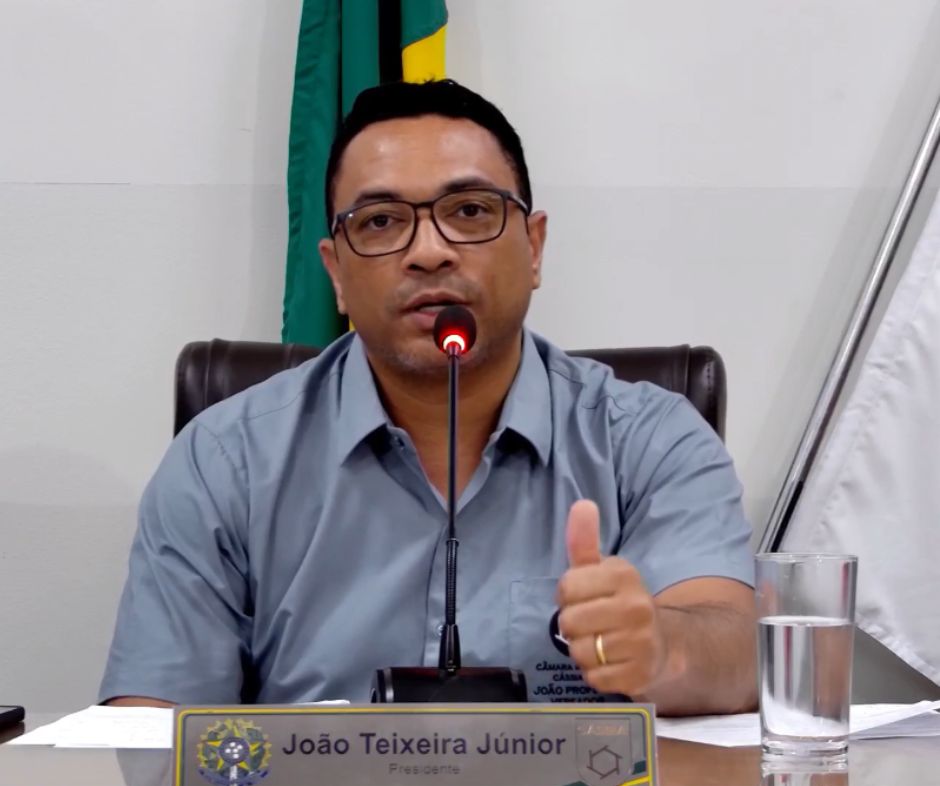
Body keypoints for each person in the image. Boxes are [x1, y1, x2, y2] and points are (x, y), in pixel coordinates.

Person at [101, 79, 756, 715]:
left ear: (534, 247)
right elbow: (152, 728)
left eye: (469, 212)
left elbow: (735, 654)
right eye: (381, 221)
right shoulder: (226, 460)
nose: (430, 252)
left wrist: (661, 649)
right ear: (336, 272)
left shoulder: (649, 440)